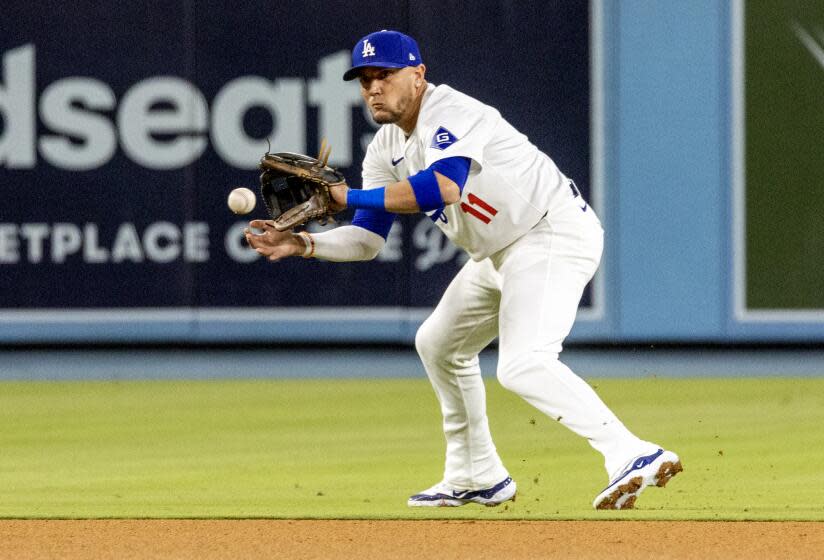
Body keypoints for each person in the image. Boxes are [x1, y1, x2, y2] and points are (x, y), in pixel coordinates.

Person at [245, 30, 682, 510]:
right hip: (499, 255)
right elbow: (368, 240)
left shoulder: (451, 111)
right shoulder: (384, 147)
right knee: (438, 344)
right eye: (364, 79)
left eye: (385, 76)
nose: (373, 88)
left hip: (550, 233)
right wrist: (304, 243)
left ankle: (631, 453)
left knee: (523, 363)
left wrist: (347, 197)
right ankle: (476, 474)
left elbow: (442, 188)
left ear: (418, 75)